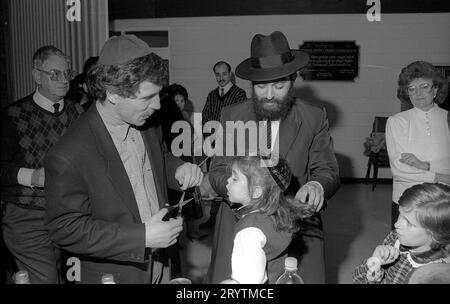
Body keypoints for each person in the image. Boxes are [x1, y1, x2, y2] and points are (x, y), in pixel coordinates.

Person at [44, 35, 203, 284]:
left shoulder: (145, 122)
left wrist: (178, 169)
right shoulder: (69, 153)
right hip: (119, 274)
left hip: (163, 261)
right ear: (114, 94)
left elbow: (160, 156)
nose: (157, 106)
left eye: (158, 95)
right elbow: (64, 228)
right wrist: (141, 237)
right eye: (147, 97)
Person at [201, 31, 340, 284]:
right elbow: (218, 170)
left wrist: (317, 185)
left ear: (293, 80)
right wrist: (247, 192)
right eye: (261, 85)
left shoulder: (313, 116)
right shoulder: (231, 115)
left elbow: (327, 170)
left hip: (294, 225)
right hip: (237, 221)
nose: (268, 94)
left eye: (279, 85)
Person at [0, 45, 83, 283]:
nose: (64, 79)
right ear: (36, 75)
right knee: (46, 280)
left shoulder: (79, 114)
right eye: (55, 73)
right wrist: (32, 177)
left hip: (70, 213)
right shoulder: (12, 116)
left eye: (67, 73)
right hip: (26, 216)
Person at [221, 155, 314, 284]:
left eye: (235, 178)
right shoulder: (275, 214)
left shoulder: (249, 231)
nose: (228, 181)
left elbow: (249, 281)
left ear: (256, 192)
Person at [386, 61, 450, 229]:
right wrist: (440, 176)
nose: (418, 93)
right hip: (408, 202)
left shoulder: (447, 118)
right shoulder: (396, 122)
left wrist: (424, 165)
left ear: (435, 90)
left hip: (443, 201)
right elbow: (400, 170)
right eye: (412, 89)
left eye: (424, 86)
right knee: (404, 252)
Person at [353, 183, 450, 284]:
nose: (396, 224)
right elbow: (358, 279)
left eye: (409, 223)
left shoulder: (434, 275)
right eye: (400, 214)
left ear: (436, 236)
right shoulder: (395, 237)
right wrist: (375, 264)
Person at [200, 61, 247, 229]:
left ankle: (234, 221)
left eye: (224, 74)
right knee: (214, 181)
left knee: (231, 182)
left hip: (231, 148)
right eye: (217, 75)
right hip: (212, 147)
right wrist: (210, 142)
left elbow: (241, 123)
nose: (221, 78)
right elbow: (206, 119)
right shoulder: (211, 95)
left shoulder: (240, 94)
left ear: (230, 74)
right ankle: (214, 219)